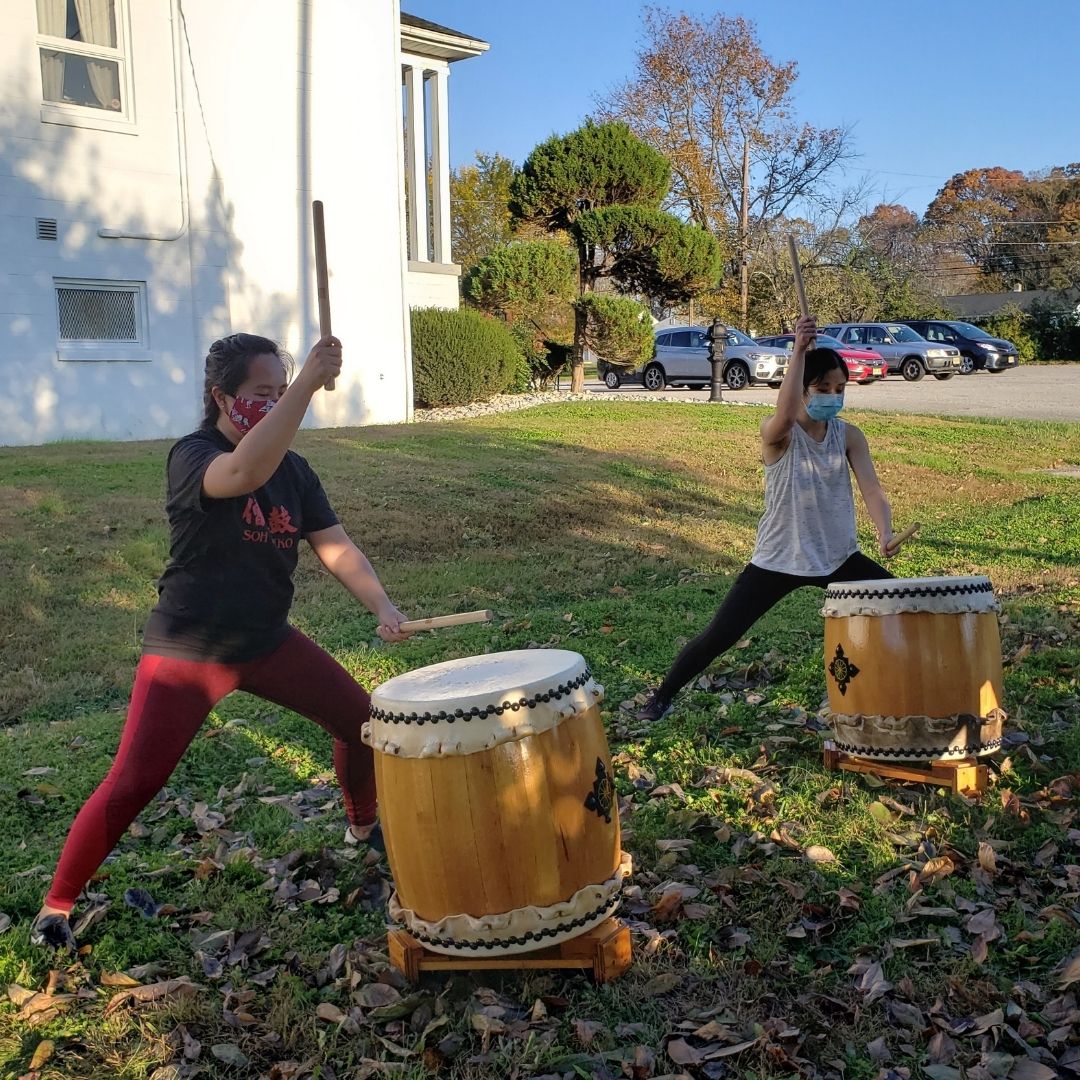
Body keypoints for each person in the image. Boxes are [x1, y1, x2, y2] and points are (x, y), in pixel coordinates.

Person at [32, 332, 412, 949]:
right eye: (263, 392)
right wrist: (310, 385)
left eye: (282, 391)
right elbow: (243, 470)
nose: (276, 402)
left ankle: (360, 824)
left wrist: (383, 606)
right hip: (189, 652)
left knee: (363, 722)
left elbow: (335, 546)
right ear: (221, 397)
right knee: (135, 780)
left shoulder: (294, 469)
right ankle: (56, 904)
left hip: (265, 642)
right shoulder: (194, 455)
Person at [637, 315, 909, 722]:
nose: (832, 397)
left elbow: (872, 489)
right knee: (720, 634)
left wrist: (884, 529)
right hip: (778, 558)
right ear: (799, 390)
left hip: (838, 556)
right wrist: (798, 349)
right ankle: (661, 696)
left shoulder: (849, 435)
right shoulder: (778, 434)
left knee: (901, 604)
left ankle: (896, 691)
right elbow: (783, 415)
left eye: (839, 389)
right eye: (821, 389)